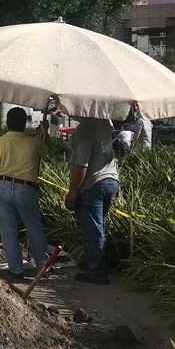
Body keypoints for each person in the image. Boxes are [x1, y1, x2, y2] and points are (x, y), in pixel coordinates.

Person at [0, 107, 52, 280]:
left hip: (2, 187)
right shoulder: (33, 142)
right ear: (25, 122)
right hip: (25, 188)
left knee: (8, 231)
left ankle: (16, 270)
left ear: (7, 122)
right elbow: (46, 149)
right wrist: (45, 131)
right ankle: (43, 267)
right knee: (34, 228)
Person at [65, 117, 119, 285]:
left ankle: (98, 272)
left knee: (93, 230)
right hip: (110, 180)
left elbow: (81, 166)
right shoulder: (104, 123)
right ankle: (94, 262)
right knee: (97, 226)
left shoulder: (85, 129)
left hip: (93, 184)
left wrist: (72, 193)